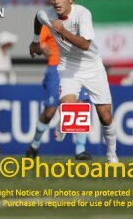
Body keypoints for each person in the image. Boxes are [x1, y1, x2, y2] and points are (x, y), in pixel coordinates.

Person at [29, 0, 118, 163]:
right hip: (68, 66)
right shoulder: (47, 14)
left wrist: (63, 31)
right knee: (69, 104)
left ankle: (111, 154)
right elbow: (38, 19)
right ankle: (67, 126)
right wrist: (36, 41)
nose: (56, 2)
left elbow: (85, 44)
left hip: (92, 67)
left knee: (105, 116)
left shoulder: (83, 13)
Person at [26, 25, 92, 160]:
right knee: (50, 111)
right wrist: (42, 48)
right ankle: (34, 145)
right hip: (56, 68)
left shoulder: (79, 22)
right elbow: (38, 45)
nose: (57, 2)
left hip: (76, 68)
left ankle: (81, 149)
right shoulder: (47, 24)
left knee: (80, 104)